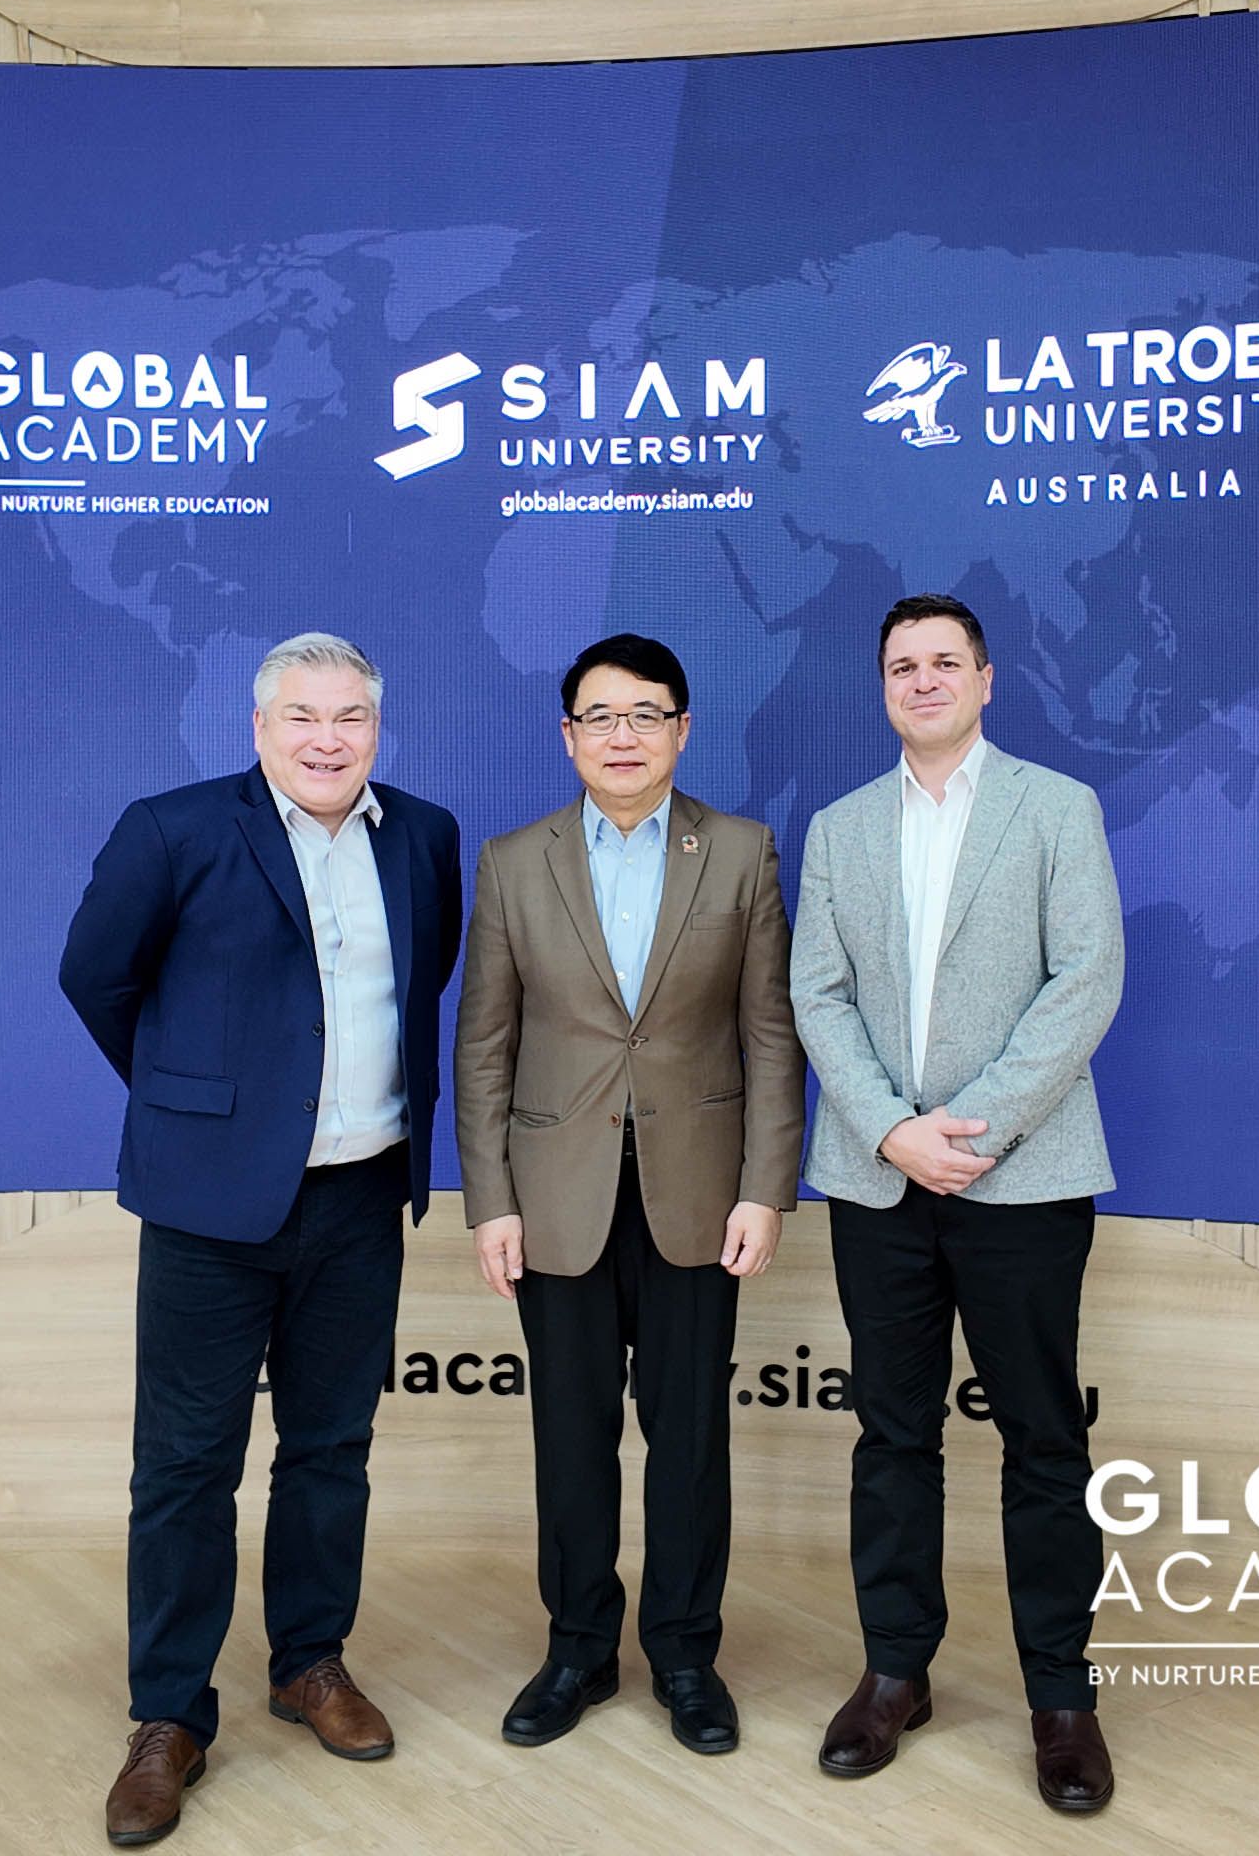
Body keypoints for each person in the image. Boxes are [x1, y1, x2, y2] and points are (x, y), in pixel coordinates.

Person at [58, 632, 464, 1848]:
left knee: (332, 1448)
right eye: (303, 716)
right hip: (210, 1206)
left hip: (361, 1197)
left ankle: (309, 1664)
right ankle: (169, 1717)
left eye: (351, 718)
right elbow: (96, 979)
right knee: (185, 1466)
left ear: (377, 730)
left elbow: (420, 987)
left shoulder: (425, 837)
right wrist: (200, 1107)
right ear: (258, 728)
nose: (328, 739)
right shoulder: (174, 829)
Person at [788, 592, 1126, 1816]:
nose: (922, 680)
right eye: (902, 665)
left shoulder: (1056, 808)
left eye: (944, 661)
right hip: (879, 1179)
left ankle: (1062, 1697)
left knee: (1044, 1438)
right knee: (893, 1435)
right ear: (882, 686)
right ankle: (895, 1672)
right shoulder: (839, 828)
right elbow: (817, 994)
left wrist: (971, 1129)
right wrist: (893, 1130)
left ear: (986, 680)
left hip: (1018, 1175)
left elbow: (1087, 979)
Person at [452, 633, 803, 1757]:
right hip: (556, 1197)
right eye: (600, 716)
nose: (623, 735)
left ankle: (687, 1656)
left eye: (646, 714)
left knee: (689, 1438)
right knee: (572, 1437)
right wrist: (491, 1201)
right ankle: (578, 1650)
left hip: (700, 1195)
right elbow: (484, 1047)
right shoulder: (514, 862)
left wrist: (766, 1189)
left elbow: (771, 1034)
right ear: (568, 736)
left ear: (682, 731)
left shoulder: (740, 852)